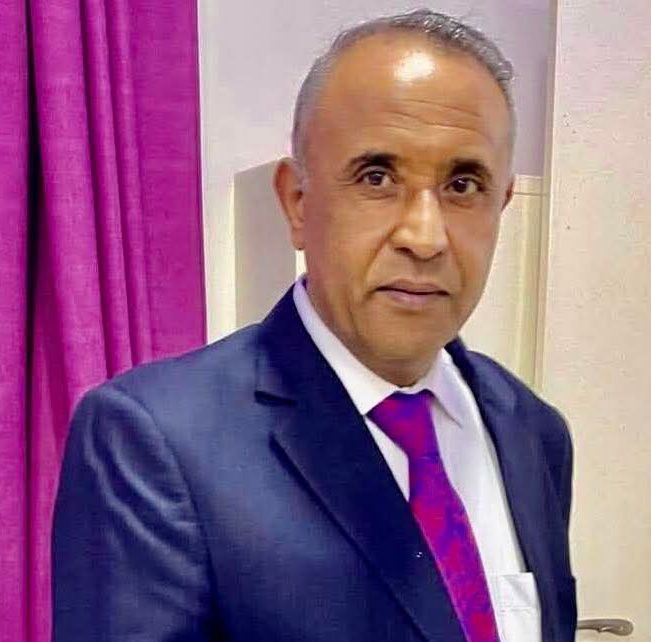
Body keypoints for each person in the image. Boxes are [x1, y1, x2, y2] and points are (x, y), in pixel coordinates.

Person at [52, 9, 576, 642]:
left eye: (464, 184)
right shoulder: (156, 442)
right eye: (377, 177)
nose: (425, 236)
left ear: (501, 207)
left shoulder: (533, 433)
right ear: (297, 203)